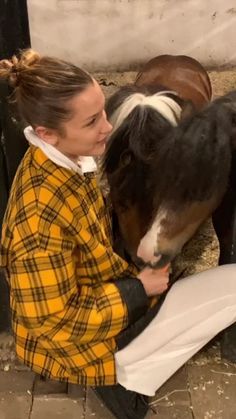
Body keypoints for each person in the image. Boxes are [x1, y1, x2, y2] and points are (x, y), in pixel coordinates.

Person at [0, 49, 235, 419]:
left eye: (104, 113)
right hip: (79, 342)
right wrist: (137, 290)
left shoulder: (65, 158)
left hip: (102, 294)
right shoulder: (38, 226)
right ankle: (123, 377)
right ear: (48, 132)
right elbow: (55, 324)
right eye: (92, 121)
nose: (108, 128)